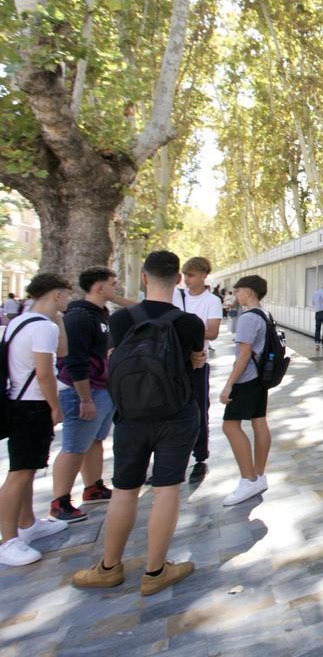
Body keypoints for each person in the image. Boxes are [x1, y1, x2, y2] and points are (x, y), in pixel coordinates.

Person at [71, 250, 205, 595]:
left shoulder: (121, 320)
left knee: (125, 489)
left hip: (131, 416)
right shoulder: (190, 323)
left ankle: (108, 567)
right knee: (166, 489)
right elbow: (194, 364)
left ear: (144, 278)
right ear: (178, 280)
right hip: (177, 415)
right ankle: (155, 571)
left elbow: (114, 360)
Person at [0, 274, 70, 567]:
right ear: (56, 295)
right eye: (65, 295)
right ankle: (8, 539)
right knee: (20, 472)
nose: (68, 299)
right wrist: (55, 407)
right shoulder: (43, 328)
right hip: (33, 405)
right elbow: (44, 372)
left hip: (17, 401)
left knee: (27, 468)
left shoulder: (21, 322)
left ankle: (28, 523)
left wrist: (60, 319)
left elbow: (63, 352)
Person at [48, 267, 119, 524]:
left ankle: (93, 486)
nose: (116, 287)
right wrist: (85, 398)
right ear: (99, 287)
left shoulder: (102, 314)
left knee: (94, 441)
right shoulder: (78, 317)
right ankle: (60, 501)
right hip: (83, 392)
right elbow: (74, 361)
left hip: (101, 388)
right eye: (112, 283)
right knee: (74, 446)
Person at [220, 275, 273, 506]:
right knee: (259, 421)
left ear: (249, 292)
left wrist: (229, 383)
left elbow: (243, 355)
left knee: (230, 425)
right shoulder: (265, 314)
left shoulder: (248, 318)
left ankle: (249, 478)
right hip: (261, 378)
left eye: (238, 291)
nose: (236, 295)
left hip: (247, 379)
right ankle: (258, 475)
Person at [172, 257, 223, 483]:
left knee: (199, 409)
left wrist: (189, 333)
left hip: (198, 363)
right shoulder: (176, 296)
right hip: (174, 362)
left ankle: (200, 457)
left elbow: (212, 332)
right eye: (185, 274)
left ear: (203, 275)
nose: (187, 280)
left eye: (191, 275)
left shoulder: (212, 301)